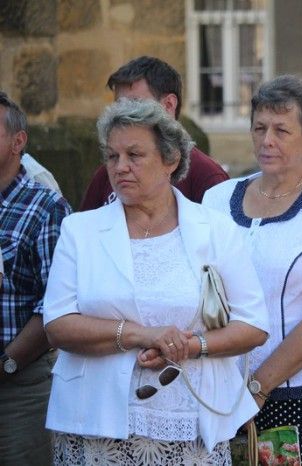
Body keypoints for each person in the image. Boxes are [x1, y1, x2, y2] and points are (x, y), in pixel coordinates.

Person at [42, 98, 269, 465]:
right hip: (95, 422)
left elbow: (254, 325)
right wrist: (142, 334)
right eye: (112, 156)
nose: (120, 167)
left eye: (134, 155)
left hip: (192, 423)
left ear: (171, 159)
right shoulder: (79, 230)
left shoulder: (216, 229)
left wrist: (189, 346)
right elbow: (57, 326)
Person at [203, 75, 302, 465]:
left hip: (301, 395)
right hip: (219, 392)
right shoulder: (216, 199)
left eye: (281, 130)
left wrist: (258, 388)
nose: (267, 140)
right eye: (259, 128)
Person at [0, 91, 72, 465]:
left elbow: (57, 305)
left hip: (19, 386)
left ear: (18, 142)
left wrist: (7, 363)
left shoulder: (46, 208)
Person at [80, 56, 229, 210]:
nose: (123, 115)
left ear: (169, 105)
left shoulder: (206, 176)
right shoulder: (109, 172)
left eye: (134, 105)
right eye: (119, 106)